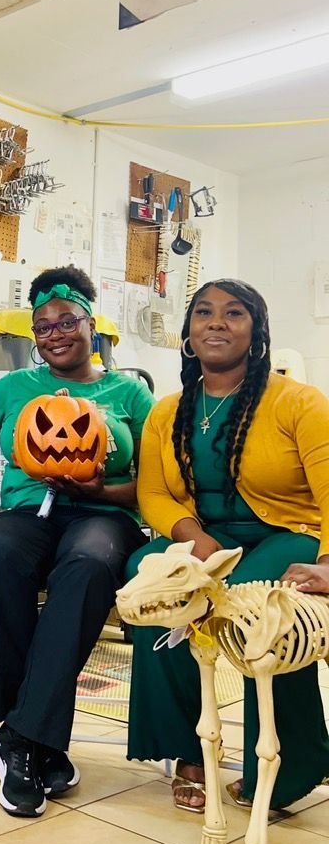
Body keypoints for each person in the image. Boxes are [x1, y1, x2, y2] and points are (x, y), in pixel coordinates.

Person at [0, 266, 154, 817]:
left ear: (92, 324)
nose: (55, 333)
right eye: (43, 326)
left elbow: (159, 480)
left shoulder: (129, 391)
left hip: (101, 513)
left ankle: (20, 738)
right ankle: (39, 739)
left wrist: (103, 488)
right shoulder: (15, 388)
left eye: (67, 321)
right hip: (25, 513)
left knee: (87, 565)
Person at [127, 279, 329, 811]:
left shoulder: (299, 403)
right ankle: (187, 750)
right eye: (205, 313)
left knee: (251, 603)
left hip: (288, 536)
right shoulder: (166, 411)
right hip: (204, 538)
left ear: (256, 333)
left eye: (234, 313)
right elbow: (151, 490)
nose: (218, 322)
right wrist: (193, 540)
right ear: (189, 334)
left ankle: (292, 763)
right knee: (148, 582)